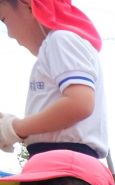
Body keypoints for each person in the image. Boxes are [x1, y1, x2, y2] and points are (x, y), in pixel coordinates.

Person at [0, 0, 108, 158]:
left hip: (63, 166)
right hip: (60, 163)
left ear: (27, 4)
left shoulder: (61, 39)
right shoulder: (56, 45)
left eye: (3, 20)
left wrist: (16, 128)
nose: (9, 34)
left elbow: (80, 104)